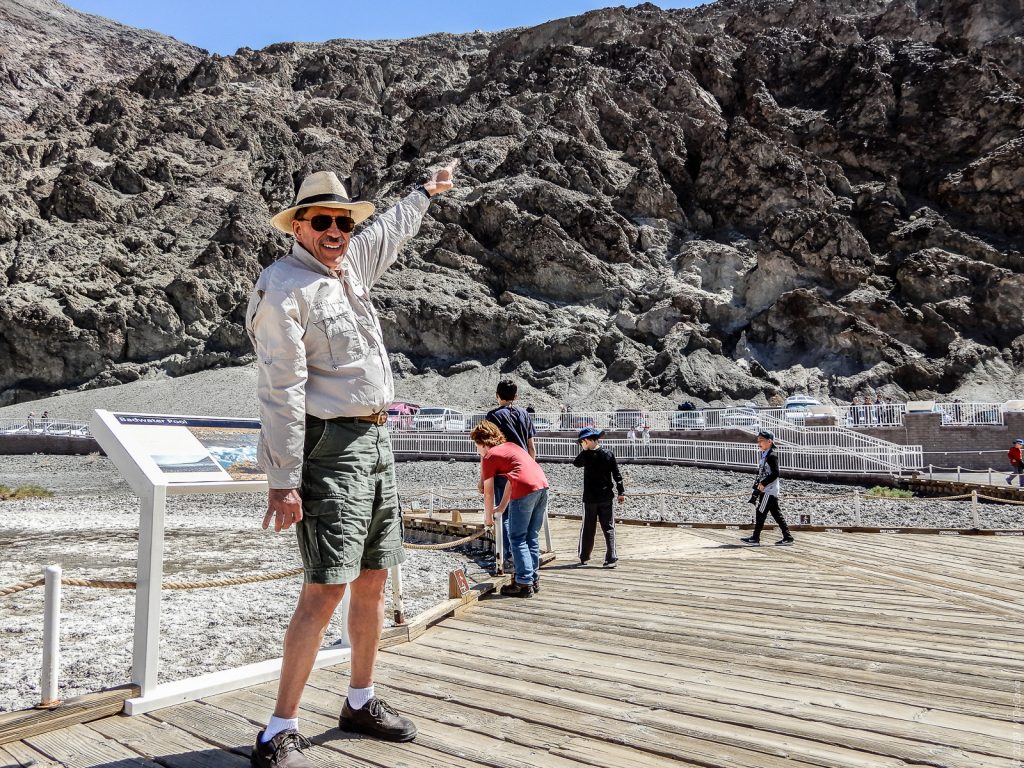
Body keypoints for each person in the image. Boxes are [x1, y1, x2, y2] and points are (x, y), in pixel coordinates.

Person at [245, 164, 455, 767]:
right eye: (322, 221)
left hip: (376, 441)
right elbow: (281, 390)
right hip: (329, 446)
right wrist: (283, 481)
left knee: (374, 576)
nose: (335, 230)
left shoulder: (351, 265)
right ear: (298, 226)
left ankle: (360, 700)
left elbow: (390, 230)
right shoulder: (283, 287)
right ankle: (279, 728)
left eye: (343, 221)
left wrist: (425, 192)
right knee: (326, 585)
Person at [471, 421, 549, 597]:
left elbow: (488, 492)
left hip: (525, 491)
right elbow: (511, 481)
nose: (477, 450)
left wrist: (488, 518)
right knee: (531, 536)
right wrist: (502, 507)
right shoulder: (512, 447)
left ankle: (523, 583)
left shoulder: (490, 456)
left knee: (517, 537)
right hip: (542, 487)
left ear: (482, 442)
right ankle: (533, 578)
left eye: (476, 445)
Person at [480, 380, 537, 571]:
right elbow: (531, 447)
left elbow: (487, 450)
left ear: (497, 395)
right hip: (523, 470)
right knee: (521, 515)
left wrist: (482, 478)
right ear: (516, 396)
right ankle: (525, 561)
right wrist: (530, 467)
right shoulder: (524, 414)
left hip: (501, 470)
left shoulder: (493, 416)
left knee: (502, 513)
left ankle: (506, 555)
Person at [573, 427, 624, 568]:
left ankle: (584, 556)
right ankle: (611, 557)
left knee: (588, 527)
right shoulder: (608, 454)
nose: (581, 445)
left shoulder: (586, 455)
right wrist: (621, 492)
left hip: (590, 499)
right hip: (606, 497)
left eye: (582, 442)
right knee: (608, 527)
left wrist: (584, 451)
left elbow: (576, 463)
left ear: (587, 440)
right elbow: (617, 474)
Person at [740, 430, 795, 547]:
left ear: (769, 441)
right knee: (776, 513)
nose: (759, 443)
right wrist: (756, 487)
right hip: (766, 489)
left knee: (760, 512)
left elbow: (775, 473)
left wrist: (763, 483)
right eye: (758, 440)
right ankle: (788, 537)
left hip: (769, 490)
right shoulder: (764, 455)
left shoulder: (771, 455)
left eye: (761, 440)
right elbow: (761, 473)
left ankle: (755, 538)